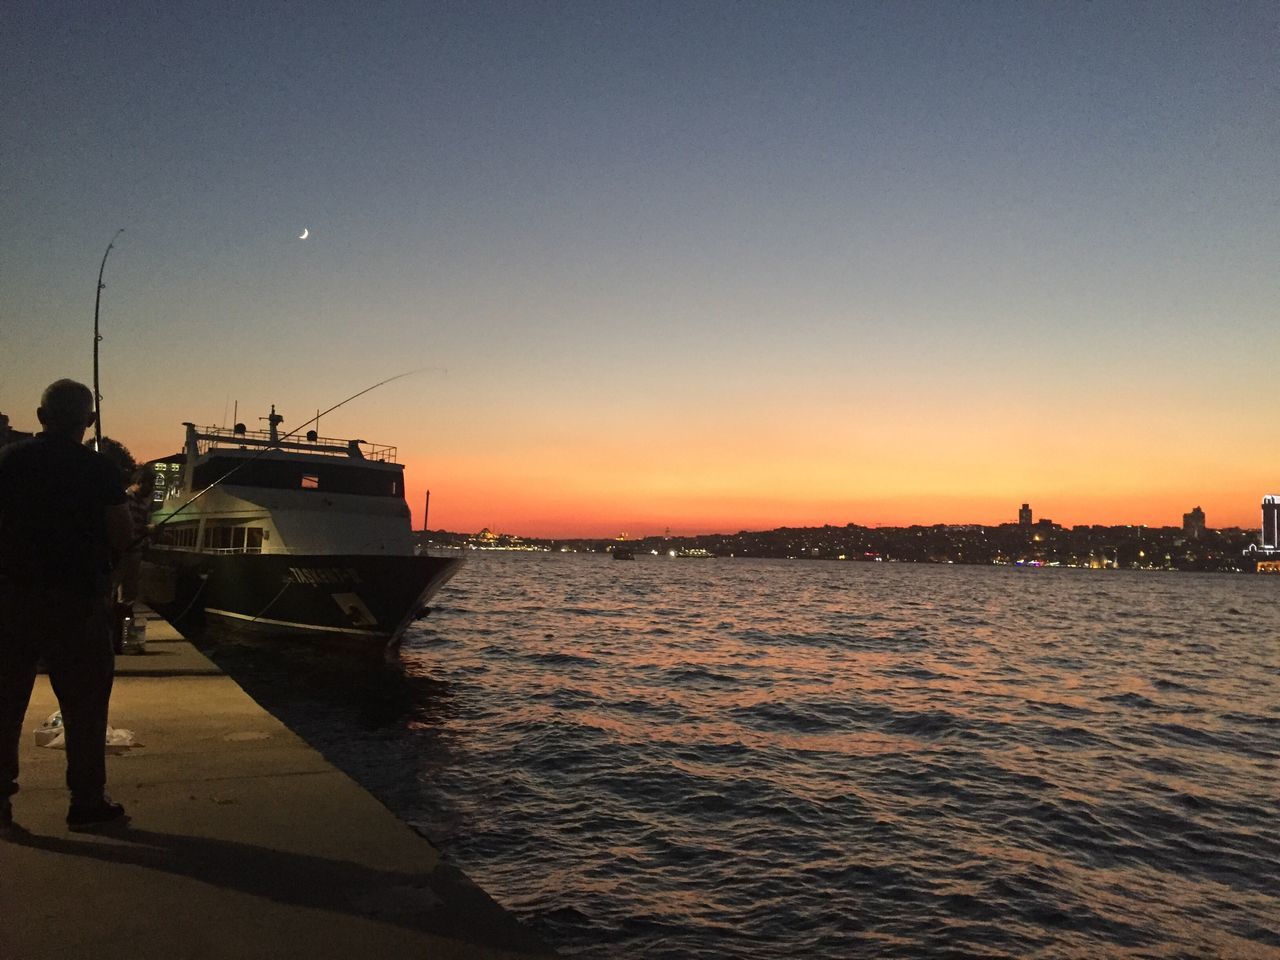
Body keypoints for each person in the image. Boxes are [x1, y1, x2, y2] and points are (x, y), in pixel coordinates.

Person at [0, 379, 132, 832]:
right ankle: (87, 802)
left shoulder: (7, 461)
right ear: (89, 421)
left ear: (40, 418)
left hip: (10, 601)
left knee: (4, 705)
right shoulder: (99, 470)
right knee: (86, 708)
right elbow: (120, 532)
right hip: (76, 603)